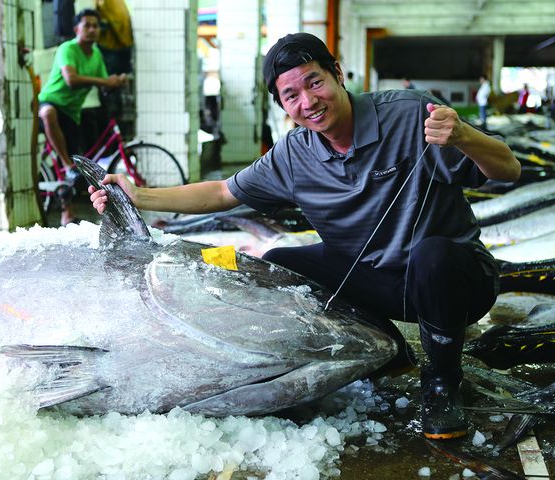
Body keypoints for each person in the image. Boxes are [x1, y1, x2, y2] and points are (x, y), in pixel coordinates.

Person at [88, 33, 520, 440]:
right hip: (379, 281)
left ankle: (442, 383)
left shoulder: (409, 115)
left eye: (315, 82)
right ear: (282, 105)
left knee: (433, 254)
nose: (309, 101)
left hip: (457, 282)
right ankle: (377, 352)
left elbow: (508, 170)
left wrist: (465, 135)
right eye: (291, 95)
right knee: (281, 263)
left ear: (338, 73)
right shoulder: (294, 155)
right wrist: (140, 195)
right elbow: (222, 191)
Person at [38, 8, 127, 226]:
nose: (92, 30)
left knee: (75, 163)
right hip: (51, 103)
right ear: (77, 29)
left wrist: (116, 82)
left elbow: (104, 85)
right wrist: (105, 82)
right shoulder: (67, 49)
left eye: (96, 26)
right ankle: (67, 165)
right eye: (87, 25)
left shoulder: (96, 55)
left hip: (71, 112)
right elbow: (71, 79)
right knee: (48, 114)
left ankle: (67, 212)